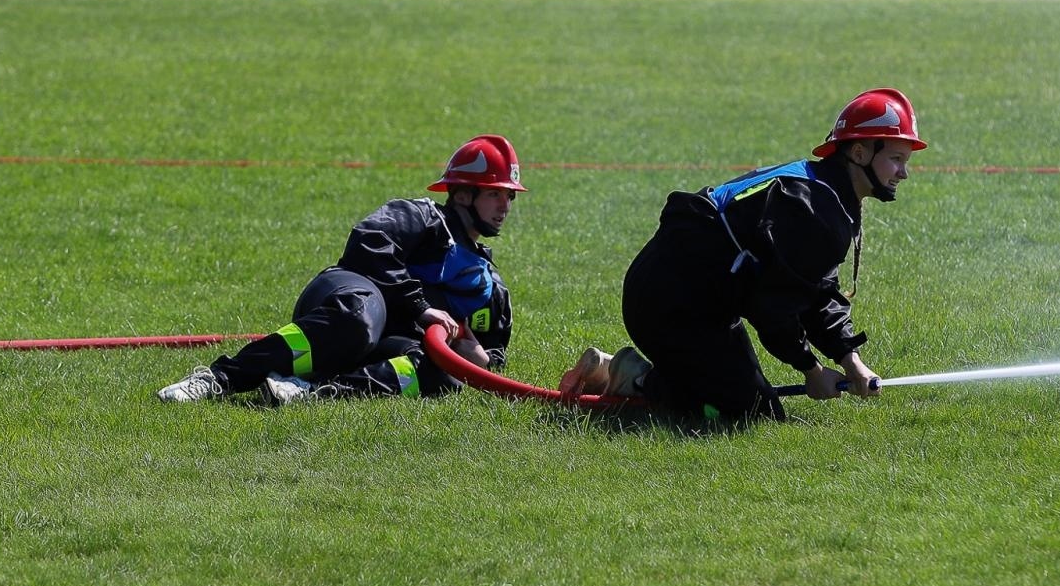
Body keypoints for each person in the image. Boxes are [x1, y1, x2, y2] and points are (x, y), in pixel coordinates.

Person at [558, 89, 927, 423]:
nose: (904, 173)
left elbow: (816, 290)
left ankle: (636, 373)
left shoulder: (824, 193)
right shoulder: (819, 212)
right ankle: (628, 376)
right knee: (747, 413)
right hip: (671, 305)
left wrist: (850, 360)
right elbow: (772, 307)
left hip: (691, 297)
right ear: (859, 152)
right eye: (896, 158)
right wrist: (811, 369)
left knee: (758, 406)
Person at [158, 136, 526, 405]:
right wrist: (420, 307)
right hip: (349, 298)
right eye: (494, 193)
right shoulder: (422, 218)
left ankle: (313, 392)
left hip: (391, 341)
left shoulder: (490, 289)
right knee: (359, 317)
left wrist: (476, 358)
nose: (504, 206)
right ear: (462, 194)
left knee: (445, 373)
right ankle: (218, 378)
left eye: (508, 196)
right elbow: (368, 242)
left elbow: (490, 362)